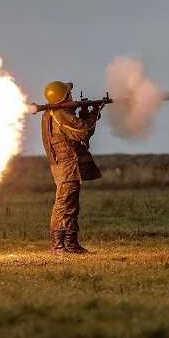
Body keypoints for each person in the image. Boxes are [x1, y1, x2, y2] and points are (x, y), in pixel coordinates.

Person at [41, 81, 103, 254]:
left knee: (71, 205)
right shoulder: (60, 114)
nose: (72, 96)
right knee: (64, 205)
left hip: (65, 165)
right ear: (64, 97)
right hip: (67, 165)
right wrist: (94, 113)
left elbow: (75, 132)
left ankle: (70, 243)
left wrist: (83, 113)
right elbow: (83, 130)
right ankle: (59, 245)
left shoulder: (51, 113)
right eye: (69, 94)